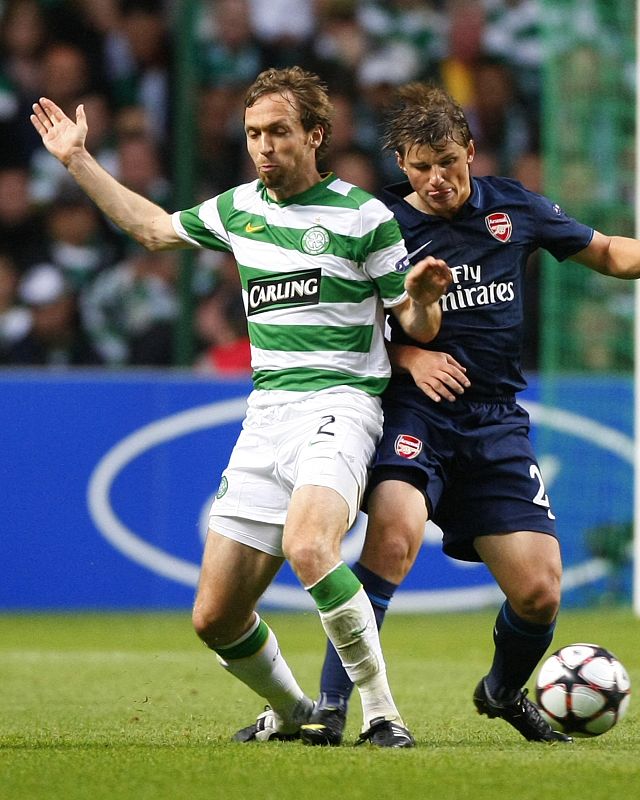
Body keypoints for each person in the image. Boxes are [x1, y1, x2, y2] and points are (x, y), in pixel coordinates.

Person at [30, 66, 452, 747]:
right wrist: (78, 159)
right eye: (255, 133)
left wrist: (425, 296)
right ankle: (292, 713)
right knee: (215, 618)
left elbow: (417, 325)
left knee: (310, 545)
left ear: (315, 135)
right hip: (267, 419)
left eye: (279, 132)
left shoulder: (363, 216)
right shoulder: (238, 210)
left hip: (340, 405)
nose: (264, 146)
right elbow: (153, 229)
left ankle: (381, 715)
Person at [301, 82, 640, 747]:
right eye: (421, 167)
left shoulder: (512, 205)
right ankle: (333, 706)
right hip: (416, 414)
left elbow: (605, 251)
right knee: (394, 537)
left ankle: (501, 691)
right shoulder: (379, 224)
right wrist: (406, 355)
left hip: (494, 422)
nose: (438, 180)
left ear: (469, 149)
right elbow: (342, 324)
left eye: (449, 163)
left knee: (540, 592)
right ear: (401, 165)